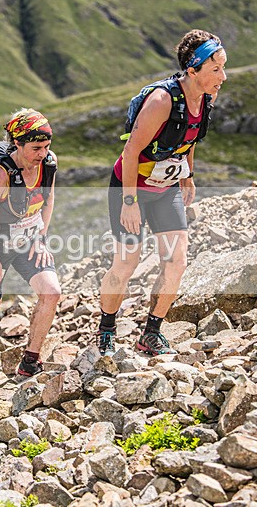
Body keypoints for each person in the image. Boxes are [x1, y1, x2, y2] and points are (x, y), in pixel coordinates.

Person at [96, 30, 227, 357]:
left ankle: (151, 333)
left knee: (177, 261)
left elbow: (190, 138)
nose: (223, 77)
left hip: (166, 187)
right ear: (193, 70)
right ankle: (107, 328)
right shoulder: (162, 101)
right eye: (216, 70)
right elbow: (130, 152)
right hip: (131, 187)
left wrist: (188, 176)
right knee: (127, 263)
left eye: (224, 67)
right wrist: (129, 202)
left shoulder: (206, 97)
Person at [0, 108, 62, 388]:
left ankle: (30, 361)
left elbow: (48, 200)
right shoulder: (0, 174)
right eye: (35, 148)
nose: (42, 153)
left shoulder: (49, 164)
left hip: (28, 238)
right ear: (16, 144)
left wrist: (40, 239)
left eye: (46, 146)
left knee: (51, 292)